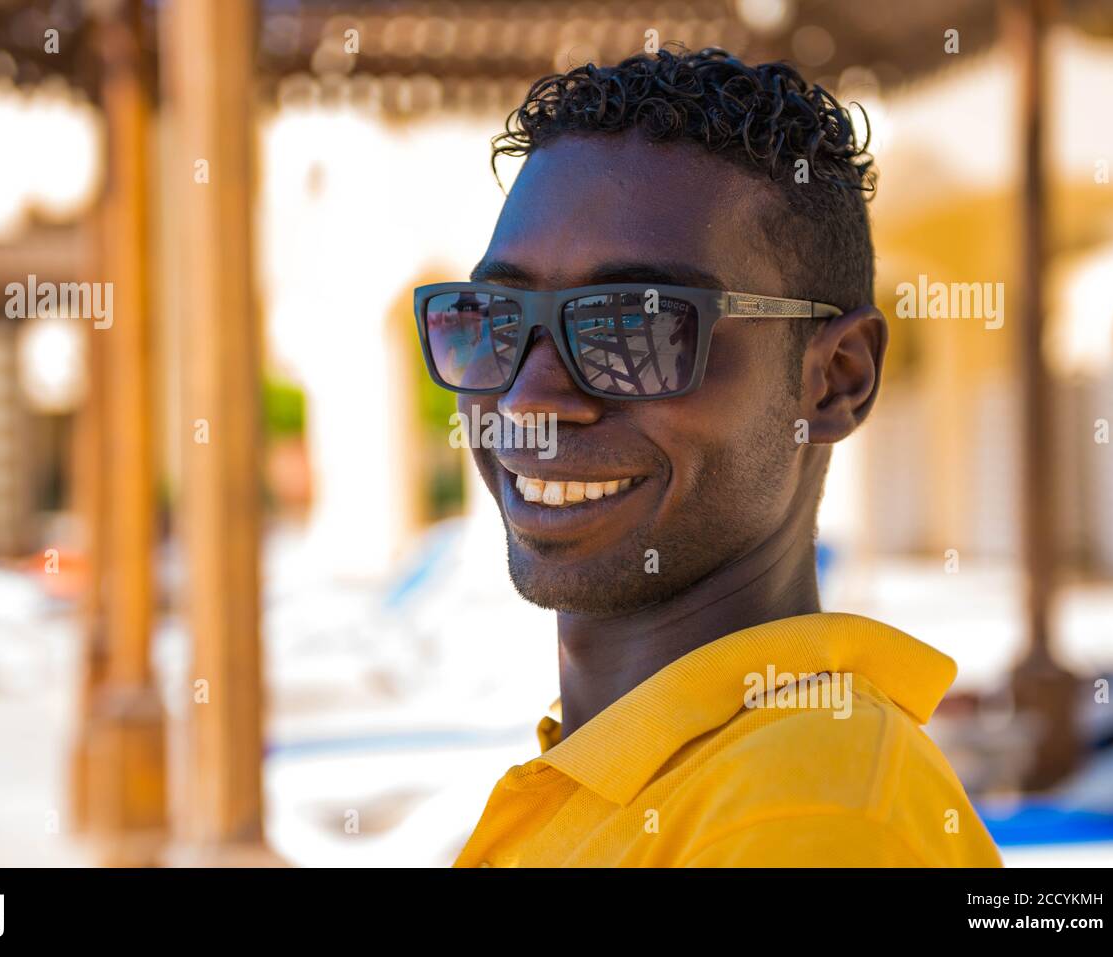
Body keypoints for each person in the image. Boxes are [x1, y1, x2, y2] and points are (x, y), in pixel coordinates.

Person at [414, 46, 1002, 867]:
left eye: (636, 326)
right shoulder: (651, 774)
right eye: (493, 318)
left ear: (835, 380)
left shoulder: (807, 811)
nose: (528, 401)